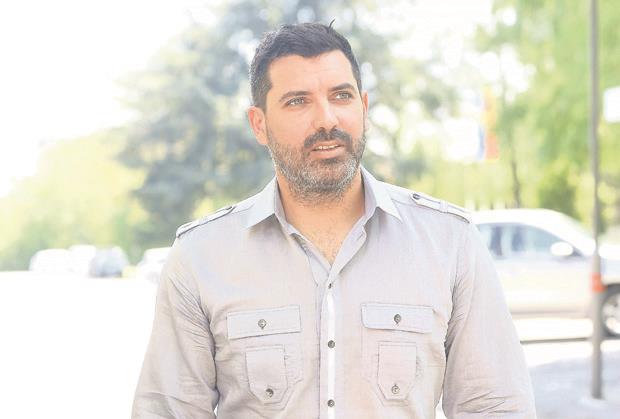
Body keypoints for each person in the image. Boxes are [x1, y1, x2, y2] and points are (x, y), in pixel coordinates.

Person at [132, 22, 536, 418]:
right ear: (259, 124)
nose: (326, 119)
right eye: (298, 101)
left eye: (341, 96)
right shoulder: (201, 257)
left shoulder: (449, 243)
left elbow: (496, 407)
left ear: (364, 108)